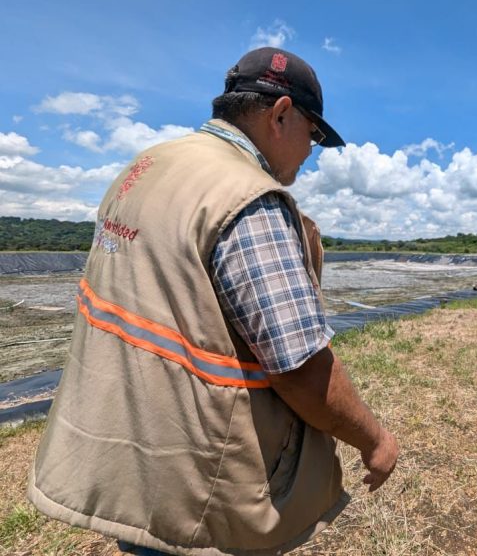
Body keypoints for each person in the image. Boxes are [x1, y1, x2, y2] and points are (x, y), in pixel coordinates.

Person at [28, 47, 399, 555]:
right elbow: (300, 369)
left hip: (126, 467)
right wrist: (375, 441)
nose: (312, 152)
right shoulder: (247, 197)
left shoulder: (145, 168)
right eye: (312, 134)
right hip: (201, 488)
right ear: (281, 114)